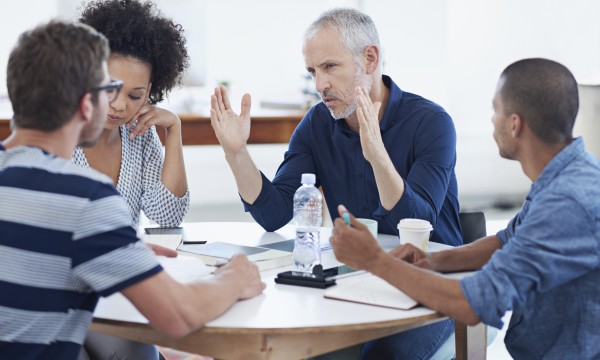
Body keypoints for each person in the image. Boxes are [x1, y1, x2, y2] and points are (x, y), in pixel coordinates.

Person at [0, 20, 264, 360]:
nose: (118, 104)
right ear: (86, 105)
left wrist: (116, 246)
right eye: (107, 89)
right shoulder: (85, 198)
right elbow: (178, 314)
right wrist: (234, 279)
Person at [211, 7, 460, 358]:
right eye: (312, 71)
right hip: (356, 279)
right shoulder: (317, 124)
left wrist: (377, 156)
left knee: (381, 356)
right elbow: (274, 213)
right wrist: (237, 154)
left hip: (431, 283)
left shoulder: (431, 123)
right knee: (299, 350)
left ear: (370, 59)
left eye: (329, 67)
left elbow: (417, 221)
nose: (319, 85)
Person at [330, 58, 600, 359]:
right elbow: (504, 242)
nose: (491, 120)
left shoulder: (568, 203)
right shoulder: (566, 175)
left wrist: (374, 260)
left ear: (514, 124)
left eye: (494, 110)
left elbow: (473, 304)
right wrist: (433, 260)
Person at [73, 0, 190, 228]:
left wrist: (174, 128)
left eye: (134, 96)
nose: (119, 106)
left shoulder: (140, 134)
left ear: (148, 91)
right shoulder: (56, 134)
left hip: (127, 262)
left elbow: (168, 217)